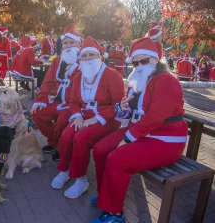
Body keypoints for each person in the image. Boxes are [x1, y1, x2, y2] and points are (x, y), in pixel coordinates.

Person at [89, 37, 187, 223]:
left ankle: (114, 214)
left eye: (144, 60)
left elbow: (156, 117)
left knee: (117, 158)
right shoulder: (136, 81)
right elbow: (129, 113)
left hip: (166, 139)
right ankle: (106, 197)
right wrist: (122, 108)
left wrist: (127, 138)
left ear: (155, 60)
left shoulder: (166, 80)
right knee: (101, 149)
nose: (139, 65)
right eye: (135, 62)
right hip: (141, 132)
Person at [51, 37, 124, 198]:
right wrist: (76, 116)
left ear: (99, 57)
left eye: (92, 55)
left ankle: (81, 179)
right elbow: (73, 101)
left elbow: (119, 104)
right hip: (83, 116)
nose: (88, 58)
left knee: (81, 138)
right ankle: (65, 170)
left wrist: (97, 119)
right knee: (67, 135)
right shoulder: (79, 77)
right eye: (84, 55)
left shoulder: (112, 75)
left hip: (107, 119)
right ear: (80, 58)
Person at [31, 23, 81, 161]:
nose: (68, 45)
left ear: (79, 45)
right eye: (65, 43)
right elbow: (47, 81)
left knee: (63, 120)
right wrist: (40, 99)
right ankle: (54, 142)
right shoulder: (57, 60)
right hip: (58, 100)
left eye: (72, 42)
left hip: (75, 104)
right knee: (37, 113)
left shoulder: (85, 61)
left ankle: (63, 146)